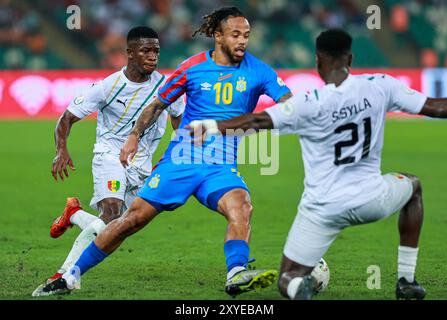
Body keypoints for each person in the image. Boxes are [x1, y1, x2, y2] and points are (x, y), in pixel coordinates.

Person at [41, 6, 293, 297]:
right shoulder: (192, 68)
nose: (242, 41)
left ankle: (236, 272)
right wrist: (135, 135)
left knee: (242, 206)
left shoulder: (259, 71)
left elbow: (290, 106)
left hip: (221, 165)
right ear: (218, 36)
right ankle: (71, 275)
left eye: (246, 35)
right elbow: (157, 105)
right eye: (235, 34)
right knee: (129, 220)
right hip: (181, 160)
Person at [188, 29, 447, 300]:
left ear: (317, 61)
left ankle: (299, 290)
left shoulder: (307, 102)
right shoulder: (380, 85)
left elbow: (257, 121)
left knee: (287, 279)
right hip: (372, 198)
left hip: (323, 208)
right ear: (350, 57)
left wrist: (212, 125)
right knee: (413, 186)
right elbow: (434, 107)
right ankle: (407, 281)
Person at [32, 26, 184, 297]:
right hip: (109, 155)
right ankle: (65, 275)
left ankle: (74, 214)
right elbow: (67, 118)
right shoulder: (108, 86)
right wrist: (61, 150)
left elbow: (178, 120)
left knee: (119, 228)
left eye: (156, 51)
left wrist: (177, 149)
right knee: (111, 216)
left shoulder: (166, 86)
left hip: (142, 165)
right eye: (146, 51)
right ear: (130, 53)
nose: (152, 57)